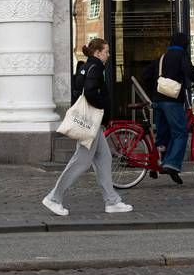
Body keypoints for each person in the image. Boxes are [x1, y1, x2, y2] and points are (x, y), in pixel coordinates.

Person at [43, 38, 133, 216]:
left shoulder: (84, 66)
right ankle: (54, 197)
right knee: (81, 162)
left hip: (93, 124)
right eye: (106, 51)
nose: (108, 54)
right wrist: (102, 107)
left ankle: (112, 201)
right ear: (98, 52)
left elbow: (79, 90)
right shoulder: (97, 67)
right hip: (92, 122)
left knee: (105, 159)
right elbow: (91, 92)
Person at [150, 32, 194, 184]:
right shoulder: (181, 54)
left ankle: (156, 164)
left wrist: (156, 87)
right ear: (185, 44)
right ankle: (172, 164)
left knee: (163, 134)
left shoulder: (162, 57)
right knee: (181, 133)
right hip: (172, 101)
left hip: (158, 100)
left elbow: (146, 75)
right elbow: (189, 72)